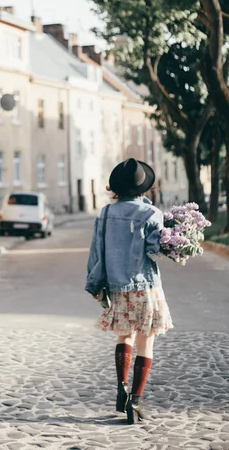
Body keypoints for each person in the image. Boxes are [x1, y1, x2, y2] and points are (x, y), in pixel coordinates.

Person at [86, 158, 173, 424]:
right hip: (145, 287)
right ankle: (134, 401)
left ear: (116, 187)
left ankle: (121, 387)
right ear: (143, 187)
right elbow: (154, 251)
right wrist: (174, 241)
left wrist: (94, 283)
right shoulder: (151, 214)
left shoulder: (105, 213)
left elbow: (96, 252)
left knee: (124, 337)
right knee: (146, 341)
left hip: (118, 288)